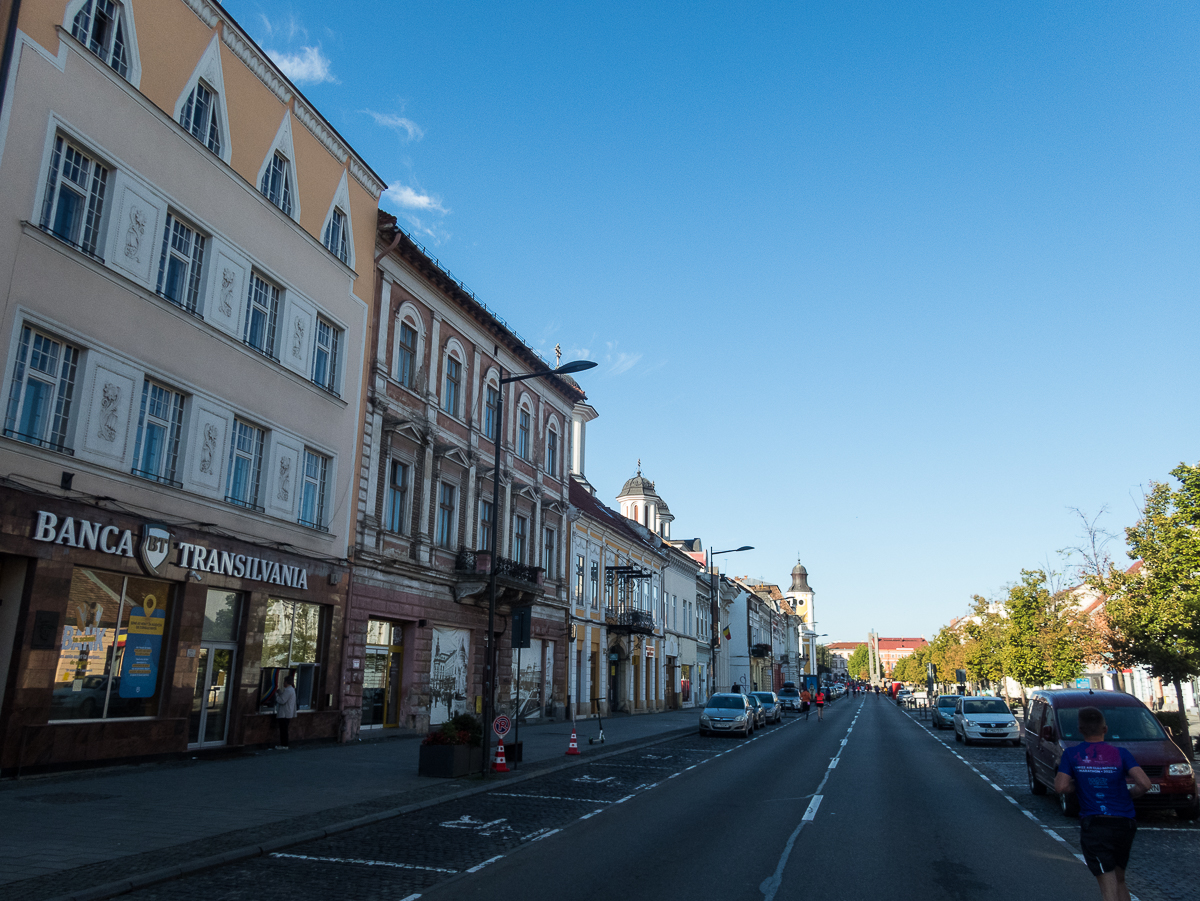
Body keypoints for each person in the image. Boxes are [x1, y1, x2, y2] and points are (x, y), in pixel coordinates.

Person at [1054, 707, 1151, 901]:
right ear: (1105, 729)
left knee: (1107, 882)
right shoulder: (1121, 753)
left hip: (1096, 823)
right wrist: (1127, 795)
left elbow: (1061, 786)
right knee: (1119, 878)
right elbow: (1145, 784)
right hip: (1124, 822)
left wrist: (1080, 784)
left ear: (1080, 729)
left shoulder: (1072, 754)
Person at [275, 672, 297, 749]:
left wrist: (276, 695)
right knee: (284, 730)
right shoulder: (291, 690)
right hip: (288, 713)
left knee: (283, 730)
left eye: (284, 681)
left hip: (284, 714)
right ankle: (284, 744)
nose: (283, 683)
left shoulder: (288, 690)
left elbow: (282, 700)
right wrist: (280, 693)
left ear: (286, 682)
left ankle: (284, 745)